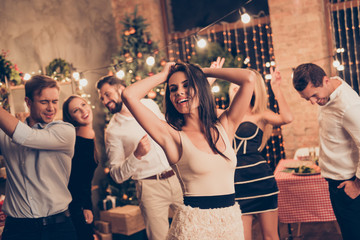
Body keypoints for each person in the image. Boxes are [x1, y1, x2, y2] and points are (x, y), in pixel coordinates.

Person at [122, 62, 256, 239]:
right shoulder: (172, 136)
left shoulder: (225, 125)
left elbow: (249, 78)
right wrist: (163, 75)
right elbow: (129, 95)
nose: (179, 92)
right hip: (194, 228)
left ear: (200, 86)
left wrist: (201, 72)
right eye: (173, 89)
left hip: (230, 223)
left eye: (187, 85)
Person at [96, 76, 183, 240]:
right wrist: (137, 155)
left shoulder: (149, 105)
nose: (105, 101)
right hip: (149, 187)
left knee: (193, 227)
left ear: (121, 88)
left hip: (177, 177)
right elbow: (116, 175)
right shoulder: (113, 131)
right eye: (102, 98)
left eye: (107, 94)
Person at [0, 75, 77, 240]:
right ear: (28, 102)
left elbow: (26, 137)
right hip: (17, 230)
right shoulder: (5, 135)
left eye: (55, 101)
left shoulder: (65, 132)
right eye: (44, 102)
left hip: (58, 228)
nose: (51, 108)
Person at [292, 63, 360, 240]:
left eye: (314, 95)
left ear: (325, 80)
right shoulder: (327, 93)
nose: (313, 102)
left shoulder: (348, 105)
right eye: (307, 99)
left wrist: (358, 184)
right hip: (335, 183)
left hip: (348, 185)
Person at [230, 68, 293, 240]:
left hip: (261, 182)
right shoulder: (225, 114)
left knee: (271, 237)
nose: (236, 87)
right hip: (236, 184)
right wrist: (210, 81)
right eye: (234, 84)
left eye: (240, 84)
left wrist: (276, 88)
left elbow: (287, 118)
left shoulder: (260, 114)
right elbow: (199, 113)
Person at [63, 95, 98, 240]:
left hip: (75, 202)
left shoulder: (80, 134)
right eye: (76, 110)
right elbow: (80, 178)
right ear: (71, 118)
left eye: (83, 104)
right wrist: (86, 207)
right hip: (77, 205)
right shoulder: (84, 133)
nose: (83, 110)